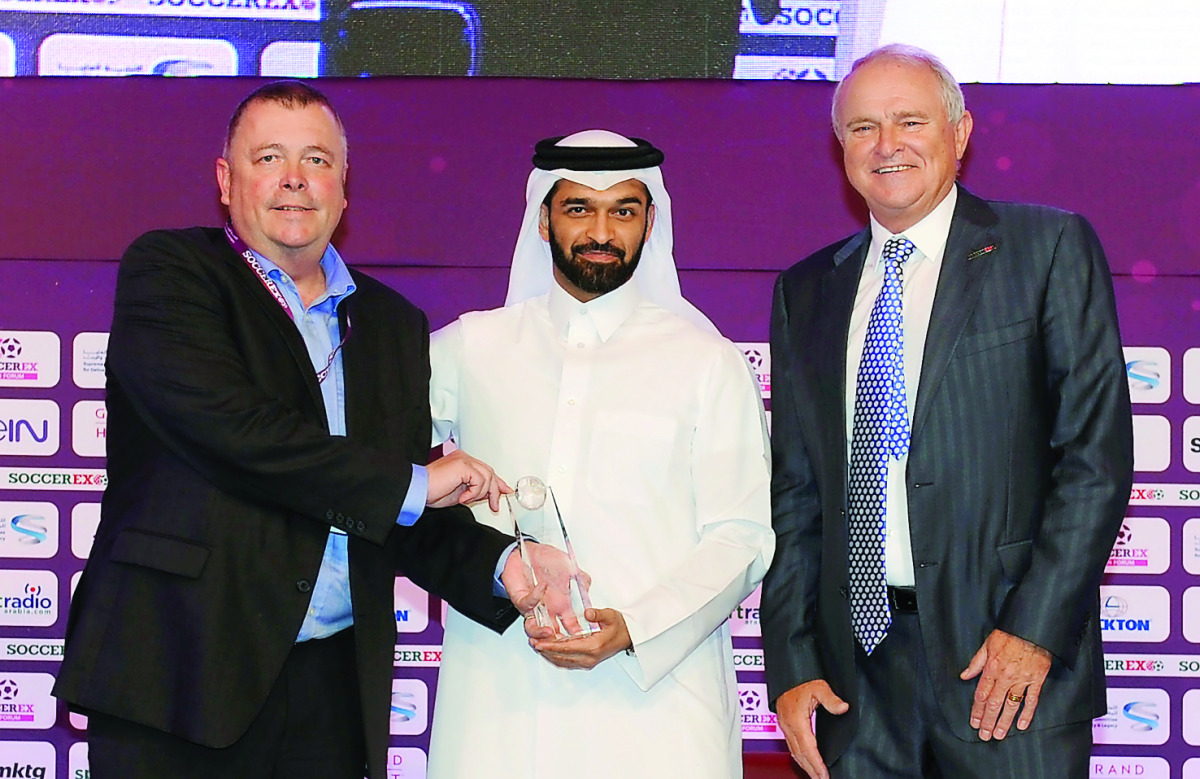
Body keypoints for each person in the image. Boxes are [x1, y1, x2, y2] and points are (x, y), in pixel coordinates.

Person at [53, 81, 540, 779]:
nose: (293, 179)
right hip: (176, 676)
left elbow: (390, 508)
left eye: (316, 159)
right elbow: (237, 433)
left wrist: (505, 565)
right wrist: (413, 481)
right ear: (226, 181)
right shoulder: (173, 273)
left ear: (344, 185)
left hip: (332, 691)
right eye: (268, 157)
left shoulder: (392, 324)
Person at [761, 45, 1133, 779]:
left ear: (960, 134)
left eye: (909, 120)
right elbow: (796, 494)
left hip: (1004, 670)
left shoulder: (1047, 247)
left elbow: (1094, 459)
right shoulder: (806, 290)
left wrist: (1031, 629)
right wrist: (794, 662)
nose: (887, 145)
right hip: (853, 685)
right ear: (841, 149)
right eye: (863, 128)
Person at [425, 130, 775, 778]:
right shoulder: (471, 346)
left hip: (658, 705)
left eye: (624, 210)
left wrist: (634, 627)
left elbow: (742, 535)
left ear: (650, 222)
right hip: (498, 700)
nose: (602, 230)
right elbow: (374, 467)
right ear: (543, 217)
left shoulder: (707, 362)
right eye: (579, 207)